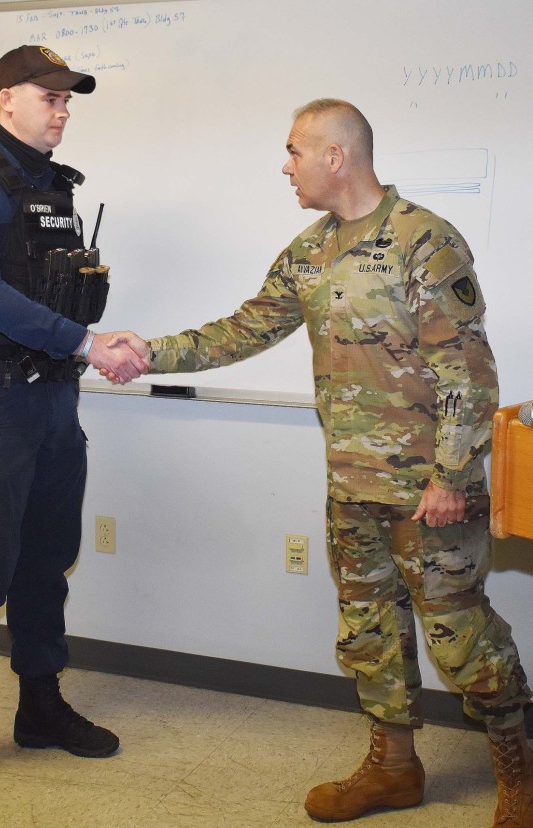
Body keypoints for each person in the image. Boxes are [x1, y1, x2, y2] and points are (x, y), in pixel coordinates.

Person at [108, 99, 533, 826]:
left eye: (295, 151)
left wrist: (450, 478)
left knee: (461, 641)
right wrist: (149, 352)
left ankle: (519, 769)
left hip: (428, 492)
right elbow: (246, 327)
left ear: (336, 156)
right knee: (368, 635)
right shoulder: (310, 250)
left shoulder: (424, 241)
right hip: (351, 487)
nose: (286, 165)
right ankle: (393, 768)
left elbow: (469, 371)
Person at [0, 45, 147, 809]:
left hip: (53, 402)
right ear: (5, 98)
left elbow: (54, 298)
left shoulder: (55, 189)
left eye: (67, 100)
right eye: (49, 98)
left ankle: (39, 707)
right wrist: (90, 344)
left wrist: (90, 334)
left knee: (48, 562)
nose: (63, 111)